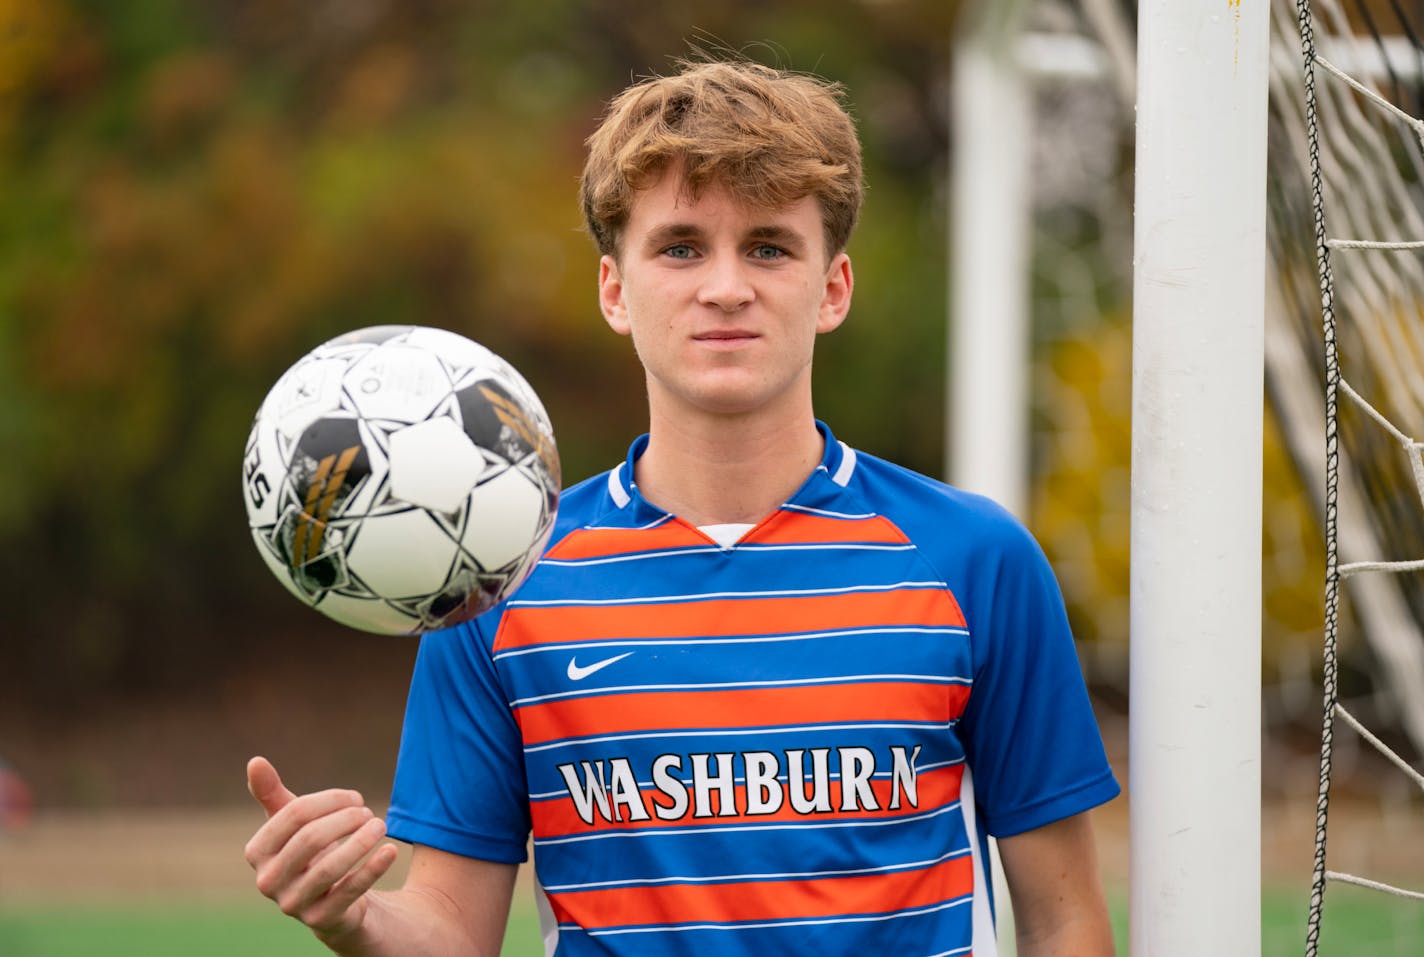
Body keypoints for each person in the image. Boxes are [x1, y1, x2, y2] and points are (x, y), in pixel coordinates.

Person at [244, 56, 1121, 956]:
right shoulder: (497, 578)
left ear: (833, 288)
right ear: (615, 290)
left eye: (770, 246)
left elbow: (1065, 920)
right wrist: (354, 918)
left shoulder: (974, 559)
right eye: (681, 246)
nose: (726, 286)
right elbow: (448, 931)